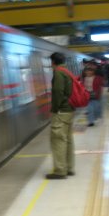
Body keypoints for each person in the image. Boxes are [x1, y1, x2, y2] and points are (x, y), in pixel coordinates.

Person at [47, 52, 75, 180]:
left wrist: (55, 108)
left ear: (53, 62)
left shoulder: (58, 72)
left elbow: (58, 91)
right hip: (69, 110)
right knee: (67, 139)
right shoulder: (67, 71)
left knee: (58, 140)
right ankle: (69, 167)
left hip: (61, 112)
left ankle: (59, 170)